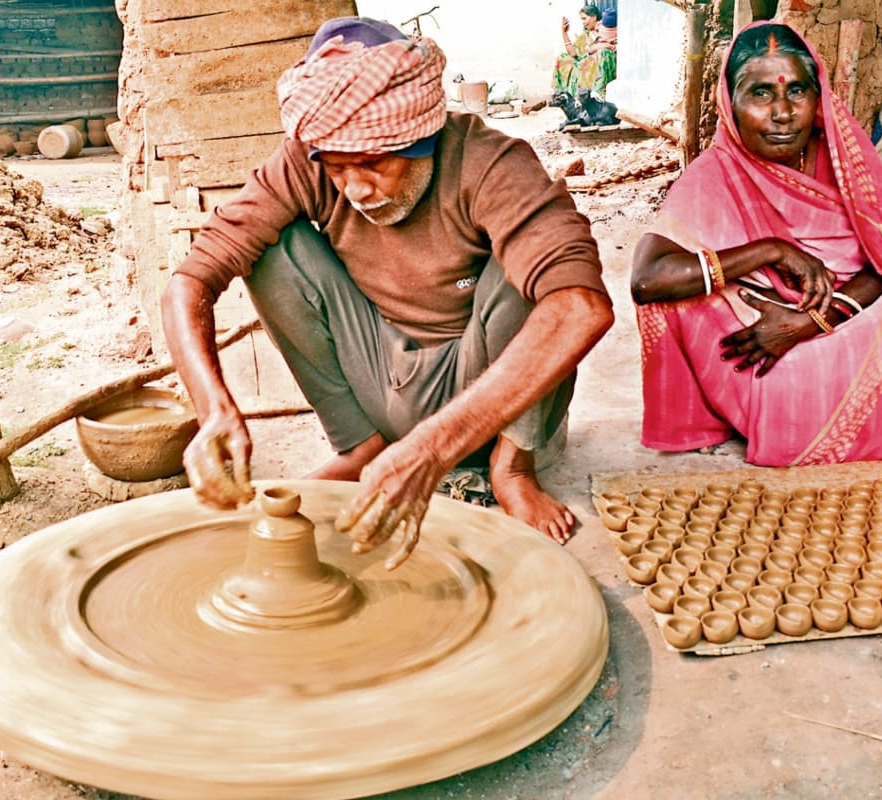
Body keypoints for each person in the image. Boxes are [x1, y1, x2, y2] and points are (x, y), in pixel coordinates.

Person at [162, 17, 614, 568]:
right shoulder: (306, 163)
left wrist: (432, 449)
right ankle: (361, 449)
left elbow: (581, 307)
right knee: (274, 252)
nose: (355, 188)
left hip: (496, 397)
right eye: (336, 167)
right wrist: (214, 409)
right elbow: (190, 281)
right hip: (385, 381)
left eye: (375, 163)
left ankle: (511, 469)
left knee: (533, 274)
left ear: (421, 136)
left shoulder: (491, 163)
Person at [630, 23, 882, 476]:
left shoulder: (843, 158)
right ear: (730, 106)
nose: (784, 112)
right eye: (761, 94)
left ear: (818, 98)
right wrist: (770, 251)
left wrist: (812, 322)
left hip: (842, 328)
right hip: (765, 353)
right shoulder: (716, 173)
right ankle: (786, 415)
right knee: (674, 294)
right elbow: (646, 279)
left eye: (797, 92)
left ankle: (853, 422)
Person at [552, 4, 617, 100]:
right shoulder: (585, 35)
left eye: (584, 19)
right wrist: (564, 32)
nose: (583, 22)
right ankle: (562, 96)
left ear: (594, 17)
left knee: (602, 54)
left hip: (600, 61)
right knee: (562, 57)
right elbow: (573, 53)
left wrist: (603, 46)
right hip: (585, 62)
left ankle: (598, 95)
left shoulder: (607, 29)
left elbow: (613, 44)